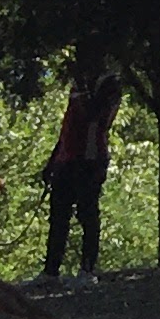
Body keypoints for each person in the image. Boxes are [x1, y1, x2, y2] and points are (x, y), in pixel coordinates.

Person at [38, 61, 120, 281]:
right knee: (58, 216)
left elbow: (95, 118)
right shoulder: (76, 86)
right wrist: (53, 160)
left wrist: (83, 88)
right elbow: (68, 126)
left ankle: (87, 269)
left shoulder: (109, 84)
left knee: (88, 214)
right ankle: (50, 271)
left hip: (91, 160)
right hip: (67, 160)